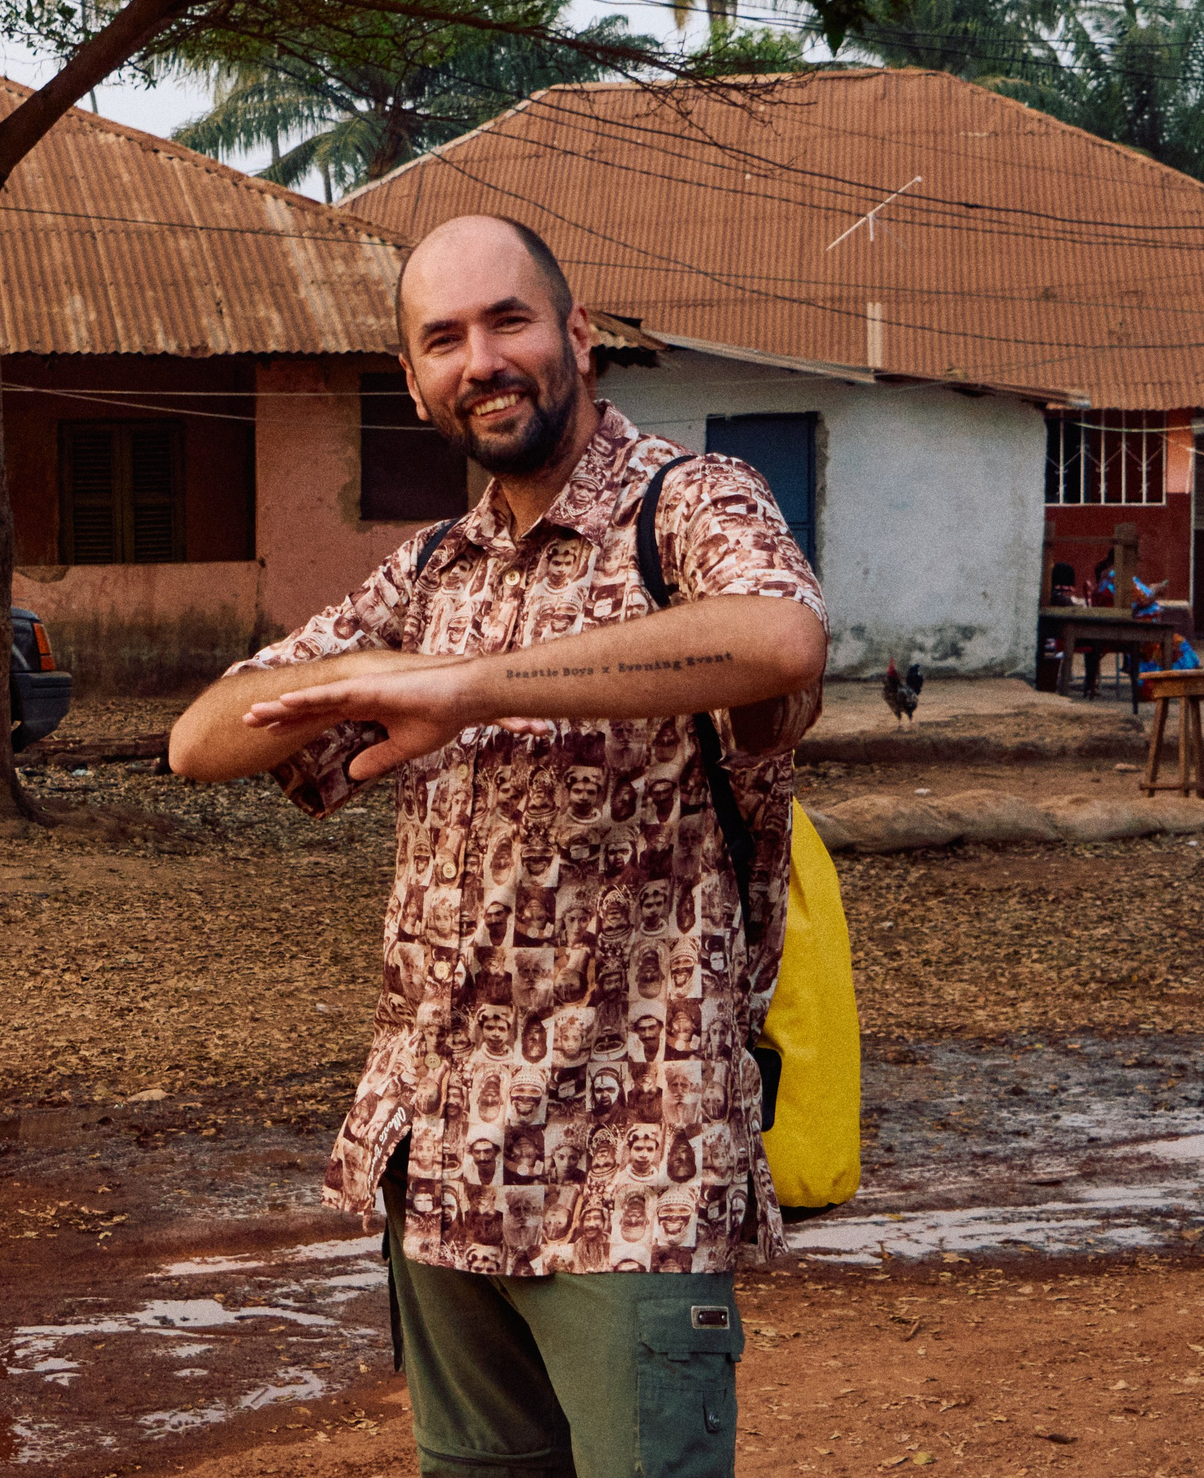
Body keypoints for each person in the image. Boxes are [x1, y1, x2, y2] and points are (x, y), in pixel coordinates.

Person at [168, 213, 827, 1478]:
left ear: (576, 335)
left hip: (631, 1162)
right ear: (414, 380)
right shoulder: (429, 572)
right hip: (442, 1156)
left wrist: (466, 690)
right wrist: (377, 671)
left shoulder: (688, 506)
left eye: (508, 321)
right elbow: (200, 742)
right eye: (443, 339)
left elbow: (779, 639)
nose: (481, 360)